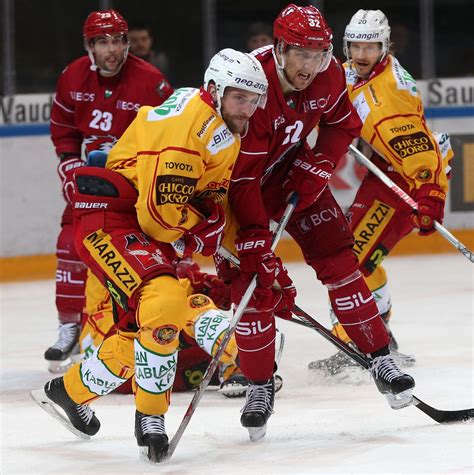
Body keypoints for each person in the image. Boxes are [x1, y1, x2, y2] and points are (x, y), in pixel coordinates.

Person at [31, 48, 268, 463]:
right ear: (215, 89)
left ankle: (65, 393)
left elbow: (209, 199)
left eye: (254, 99)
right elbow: (162, 220)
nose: (247, 108)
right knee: (164, 301)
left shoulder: (220, 128)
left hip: (136, 225)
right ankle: (150, 417)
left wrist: (211, 226)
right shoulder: (190, 129)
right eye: (239, 97)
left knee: (136, 331)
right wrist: (197, 234)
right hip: (110, 220)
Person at [219, 4, 416, 441]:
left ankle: (379, 355)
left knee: (340, 261)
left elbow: (345, 123)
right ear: (281, 48)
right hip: (238, 192)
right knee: (251, 286)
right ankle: (258, 385)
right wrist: (253, 235)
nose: (311, 65)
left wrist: (320, 162)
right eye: (301, 54)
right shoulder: (252, 85)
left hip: (295, 178)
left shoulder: (327, 75)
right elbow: (244, 177)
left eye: (319, 53)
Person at [309, 10, 453, 373]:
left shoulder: (386, 97)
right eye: (355, 45)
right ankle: (376, 334)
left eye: (370, 47)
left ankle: (367, 340)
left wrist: (430, 194)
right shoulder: (357, 72)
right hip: (389, 169)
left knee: (352, 258)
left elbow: (417, 151)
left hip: (407, 178)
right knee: (353, 253)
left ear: (384, 47)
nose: (360, 54)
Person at [45, 9, 173, 373]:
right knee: (70, 245)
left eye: (117, 40)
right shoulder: (72, 76)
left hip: (135, 185)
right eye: (103, 42)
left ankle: (146, 326)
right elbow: (63, 127)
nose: (112, 49)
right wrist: (68, 161)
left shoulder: (151, 81)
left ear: (127, 43)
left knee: (145, 256)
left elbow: (168, 135)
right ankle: (69, 327)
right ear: (90, 46)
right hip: (90, 182)